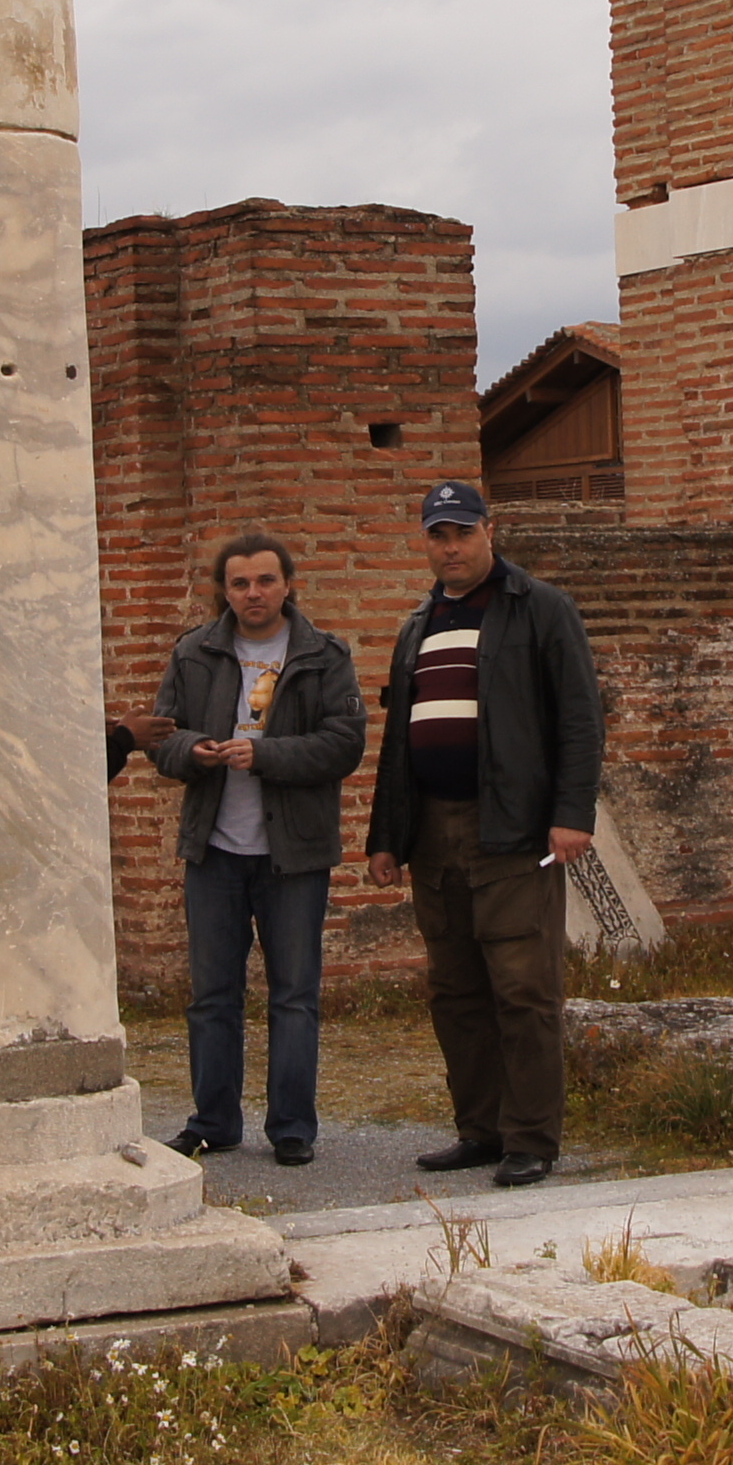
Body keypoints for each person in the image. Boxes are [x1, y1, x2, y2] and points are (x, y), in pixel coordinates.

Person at [363, 482, 603, 1188]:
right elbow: (399, 740)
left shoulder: (541, 608)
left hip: (512, 827)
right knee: (455, 990)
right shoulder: (419, 623)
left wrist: (573, 813)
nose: (452, 548)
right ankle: (480, 1129)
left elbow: (581, 717)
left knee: (524, 988)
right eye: (438, 535)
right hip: (434, 833)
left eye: (463, 533)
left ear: (489, 532)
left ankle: (531, 1137)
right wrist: (387, 836)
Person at [138, 529, 364, 1169]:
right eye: (239, 583)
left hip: (294, 853)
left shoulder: (322, 654)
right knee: (212, 996)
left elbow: (344, 743)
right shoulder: (194, 652)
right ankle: (213, 1122)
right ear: (224, 591)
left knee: (294, 995)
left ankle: (292, 1127)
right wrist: (194, 750)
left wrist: (265, 755)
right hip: (214, 849)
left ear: (287, 585)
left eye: (265, 580)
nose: (253, 593)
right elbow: (160, 738)